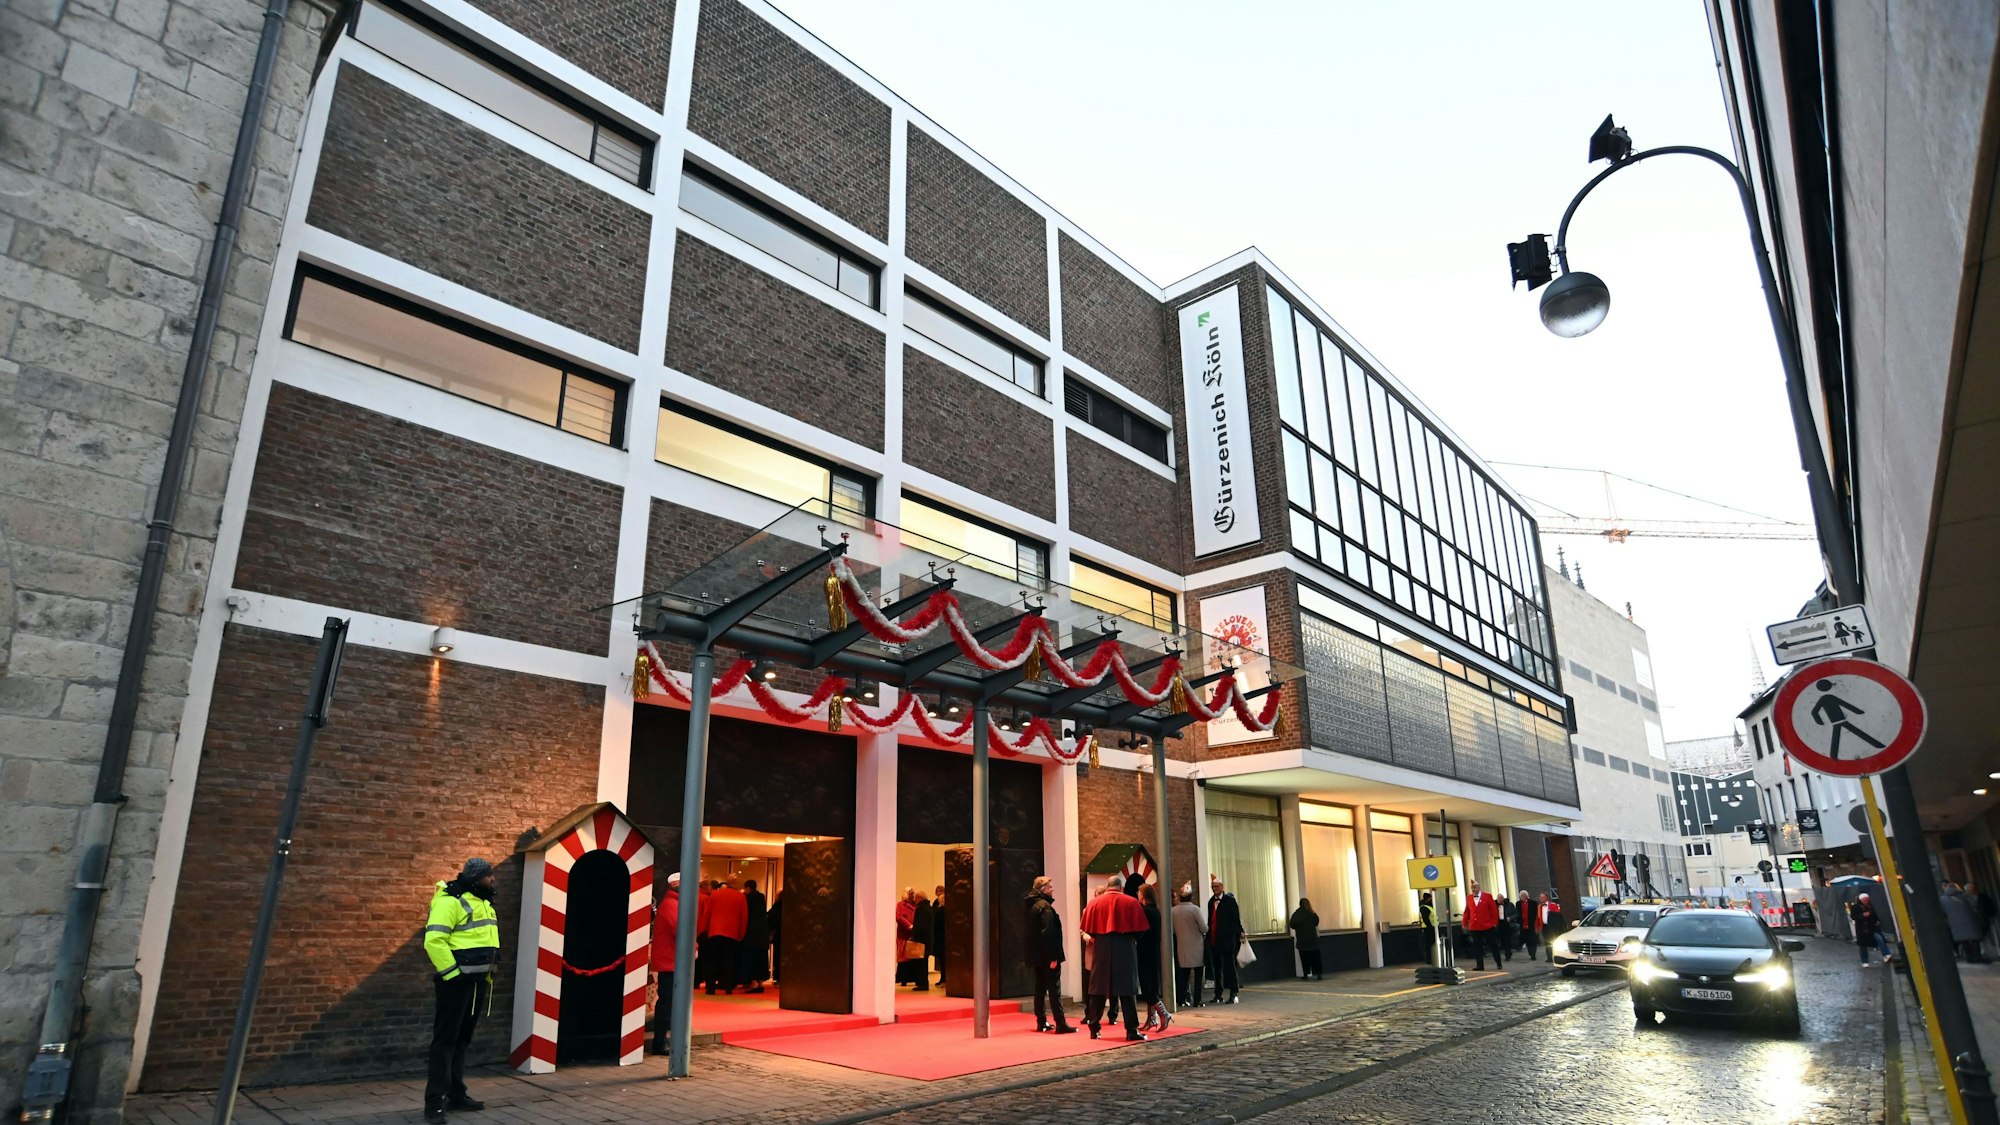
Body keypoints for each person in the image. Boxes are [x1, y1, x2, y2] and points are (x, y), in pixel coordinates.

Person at [423, 857, 499, 1123]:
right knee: (444, 1042)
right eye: (490, 875)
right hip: (455, 984)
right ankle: (434, 1104)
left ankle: (456, 1094)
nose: (493, 880)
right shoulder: (450, 900)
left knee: (461, 1041)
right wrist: (453, 975)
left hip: (477, 983)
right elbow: (434, 940)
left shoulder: (483, 901)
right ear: (478, 877)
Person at [1081, 872, 1151, 1040]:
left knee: (1098, 988)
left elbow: (1088, 929)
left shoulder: (1094, 903)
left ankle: (1094, 1028)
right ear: (1121, 887)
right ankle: (1132, 1031)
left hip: (1101, 947)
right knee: (1127, 990)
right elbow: (1141, 930)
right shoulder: (1131, 902)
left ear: (1107, 887)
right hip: (1125, 946)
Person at [1024, 875, 1075, 1033]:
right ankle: (1060, 1023)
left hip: (1036, 955)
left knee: (1039, 988)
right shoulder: (1045, 907)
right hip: (1047, 956)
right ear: (1044, 889)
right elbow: (1048, 933)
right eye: (1050, 886)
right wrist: (1053, 956)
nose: (1053, 889)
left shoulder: (1031, 905)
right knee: (1054, 989)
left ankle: (1041, 1022)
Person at [649, 872, 681, 1055]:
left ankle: (661, 1041)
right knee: (668, 1003)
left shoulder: (670, 903)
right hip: (671, 961)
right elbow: (680, 930)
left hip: (669, 960)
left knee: (667, 1002)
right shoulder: (672, 905)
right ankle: (660, 1042)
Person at [1136, 882, 1172, 1031]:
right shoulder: (1155, 911)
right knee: (1152, 984)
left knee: (1147, 987)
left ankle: (1163, 1013)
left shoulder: (1145, 911)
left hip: (1145, 951)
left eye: (1139, 893)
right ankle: (1151, 1018)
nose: (1137, 895)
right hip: (1153, 951)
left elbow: (1141, 931)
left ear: (1144, 895)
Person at [704, 877, 748, 993]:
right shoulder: (740, 897)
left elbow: (707, 913)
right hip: (732, 933)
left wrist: (705, 930)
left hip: (715, 932)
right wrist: (741, 933)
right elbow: (744, 917)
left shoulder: (715, 895)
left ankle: (710, 988)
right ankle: (728, 987)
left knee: (712, 961)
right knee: (729, 961)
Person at [1206, 875, 1244, 1004]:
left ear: (1222, 887)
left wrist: (1240, 932)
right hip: (1214, 940)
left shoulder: (1230, 901)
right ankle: (1218, 993)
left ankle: (1234, 992)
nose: (1214, 889)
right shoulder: (1211, 902)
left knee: (1230, 967)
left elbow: (1235, 919)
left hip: (1227, 940)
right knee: (1217, 968)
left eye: (1216, 887)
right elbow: (1210, 920)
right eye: (1212, 887)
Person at [1171, 884, 1207, 1007]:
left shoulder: (1173, 911)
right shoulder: (1195, 910)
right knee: (1198, 975)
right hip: (1197, 947)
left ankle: (1181, 999)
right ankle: (1197, 1000)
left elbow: (1173, 930)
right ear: (1191, 896)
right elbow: (1204, 928)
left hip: (1182, 947)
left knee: (1183, 976)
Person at [1462, 879, 1503, 971]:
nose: (1473, 889)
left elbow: (1493, 911)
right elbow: (1467, 911)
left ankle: (1498, 962)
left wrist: (1494, 923)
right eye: (1472, 888)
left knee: (1493, 945)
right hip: (1474, 926)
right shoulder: (1469, 898)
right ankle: (1479, 965)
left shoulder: (1487, 896)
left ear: (1479, 888)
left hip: (1487, 926)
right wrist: (1464, 922)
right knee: (1476, 946)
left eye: (1475, 887)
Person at [739, 878, 770, 994]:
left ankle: (752, 983)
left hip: (751, 934)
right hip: (762, 934)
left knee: (751, 958)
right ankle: (760, 982)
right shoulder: (761, 897)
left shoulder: (747, 899)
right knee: (761, 958)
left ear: (748, 888)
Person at [1942, 883, 1986, 963]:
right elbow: (1974, 904)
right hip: (1970, 920)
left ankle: (1969, 958)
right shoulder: (1965, 895)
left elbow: (1943, 911)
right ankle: (1977, 957)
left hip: (1955, 923)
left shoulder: (1943, 899)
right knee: (1974, 939)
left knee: (1964, 941)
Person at [895, 888, 928, 987]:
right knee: (903, 957)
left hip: (914, 934)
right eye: (910, 893)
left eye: (913, 893)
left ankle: (913, 978)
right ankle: (903, 979)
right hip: (904, 934)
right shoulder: (900, 905)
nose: (912, 895)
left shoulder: (916, 905)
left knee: (913, 957)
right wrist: (909, 925)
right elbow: (899, 917)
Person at [1851, 893, 1893, 965]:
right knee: (1863, 945)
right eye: (1864, 900)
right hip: (1862, 930)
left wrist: (1877, 921)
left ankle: (1886, 954)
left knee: (1879, 939)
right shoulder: (1855, 907)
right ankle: (1865, 961)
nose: (1866, 901)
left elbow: (1874, 915)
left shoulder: (1870, 906)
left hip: (1872, 928)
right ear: (1861, 900)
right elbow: (1853, 917)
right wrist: (1862, 915)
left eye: (1867, 900)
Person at [1289, 898, 1322, 980]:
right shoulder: (1311, 913)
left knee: (1304, 959)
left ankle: (1305, 975)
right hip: (1313, 940)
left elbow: (1292, 925)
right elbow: (1316, 922)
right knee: (1315, 958)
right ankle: (1318, 974)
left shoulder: (1297, 914)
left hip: (1302, 940)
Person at [911, 887, 936, 991]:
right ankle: (923, 982)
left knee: (921, 964)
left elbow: (920, 926)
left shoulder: (921, 909)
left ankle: (922, 983)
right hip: (927, 940)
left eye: (916, 898)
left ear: (919, 898)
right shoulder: (928, 907)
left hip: (921, 941)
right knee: (923, 963)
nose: (914, 900)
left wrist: (914, 935)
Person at [1516, 890, 1541, 961]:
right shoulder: (1518, 904)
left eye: (1523, 896)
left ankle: (1533, 954)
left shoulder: (1533, 903)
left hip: (1531, 924)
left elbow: (1536, 914)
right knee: (1526, 940)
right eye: (1521, 896)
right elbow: (1518, 913)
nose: (1522, 897)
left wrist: (1537, 924)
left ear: (1527, 896)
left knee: (1532, 940)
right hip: (1523, 925)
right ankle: (1529, 953)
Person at [931, 884, 948, 979]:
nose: (938, 893)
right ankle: (942, 977)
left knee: (942, 958)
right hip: (938, 936)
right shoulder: (935, 904)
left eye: (940, 891)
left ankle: (944, 978)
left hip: (941, 936)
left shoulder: (941, 910)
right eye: (937, 891)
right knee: (940, 959)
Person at [1419, 891, 1438, 965]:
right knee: (1429, 945)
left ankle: (1432, 958)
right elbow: (1426, 919)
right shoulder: (1424, 908)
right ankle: (1429, 959)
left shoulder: (1429, 907)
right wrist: (1430, 927)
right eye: (1430, 898)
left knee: (1432, 944)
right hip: (1428, 929)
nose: (1431, 900)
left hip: (1433, 928)